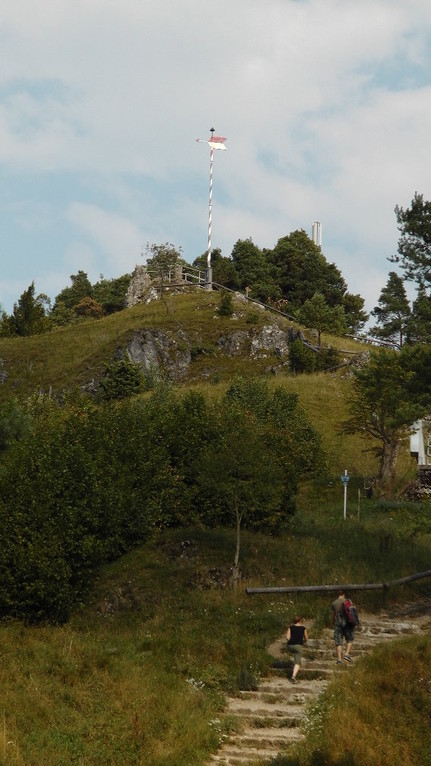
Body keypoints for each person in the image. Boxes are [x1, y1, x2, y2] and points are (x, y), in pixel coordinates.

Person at [331, 589, 355, 664]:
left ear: (338, 594)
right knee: (350, 639)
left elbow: (332, 615)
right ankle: (347, 654)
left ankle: (339, 659)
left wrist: (333, 623)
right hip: (348, 623)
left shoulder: (334, 603)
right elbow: (353, 611)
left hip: (338, 623)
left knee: (338, 642)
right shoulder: (348, 601)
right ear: (344, 594)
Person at [286, 616, 308, 683]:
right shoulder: (303, 628)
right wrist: (302, 642)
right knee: (297, 662)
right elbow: (306, 638)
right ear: (300, 621)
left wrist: (291, 641)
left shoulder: (290, 627)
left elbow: (287, 637)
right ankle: (293, 676)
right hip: (298, 646)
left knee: (295, 654)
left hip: (290, 646)